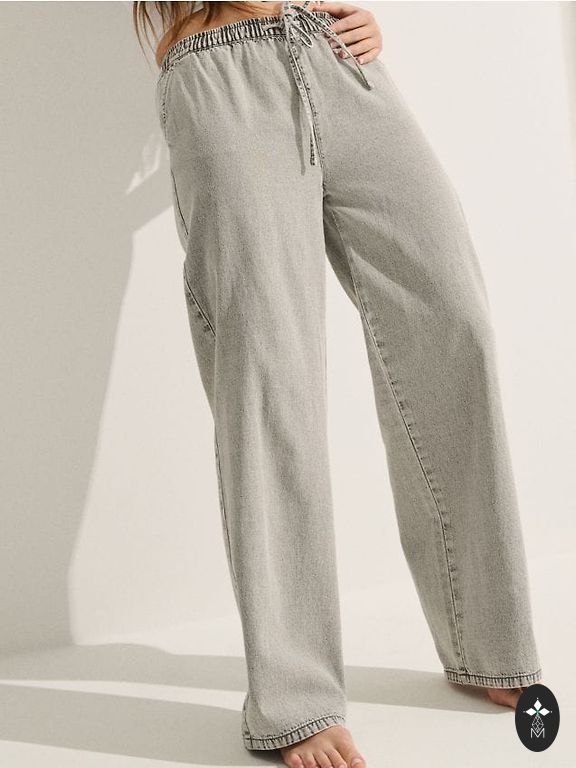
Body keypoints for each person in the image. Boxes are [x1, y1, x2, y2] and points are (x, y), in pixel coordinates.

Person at [133, 2, 544, 766]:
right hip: (220, 71)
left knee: (455, 323)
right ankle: (296, 699)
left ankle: (487, 637)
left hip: (334, 51)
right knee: (270, 377)